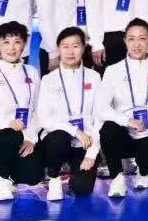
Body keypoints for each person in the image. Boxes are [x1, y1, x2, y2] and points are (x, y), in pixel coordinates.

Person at [0, 21, 46, 201]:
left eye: (17, 42)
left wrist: (30, 138)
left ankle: (1, 169)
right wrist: (7, 123)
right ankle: (0, 180)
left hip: (22, 137)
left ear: (24, 45)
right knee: (10, 135)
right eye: (6, 42)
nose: (12, 48)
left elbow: (38, 110)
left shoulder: (32, 72)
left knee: (34, 175)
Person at [95, 18, 148, 196]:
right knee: (108, 128)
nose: (137, 44)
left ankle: (144, 171)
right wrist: (125, 120)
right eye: (131, 39)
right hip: (125, 134)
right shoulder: (113, 70)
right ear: (125, 41)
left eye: (142, 38)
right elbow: (100, 108)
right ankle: (117, 178)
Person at [32, 28, 101, 200]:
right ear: (59, 49)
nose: (71, 52)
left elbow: (100, 118)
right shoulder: (49, 79)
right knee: (59, 137)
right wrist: (74, 131)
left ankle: (75, 173)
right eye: (65, 46)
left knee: (82, 189)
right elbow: (45, 118)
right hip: (58, 141)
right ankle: (54, 177)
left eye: (75, 46)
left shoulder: (94, 77)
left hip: (85, 142)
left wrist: (91, 154)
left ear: (83, 48)